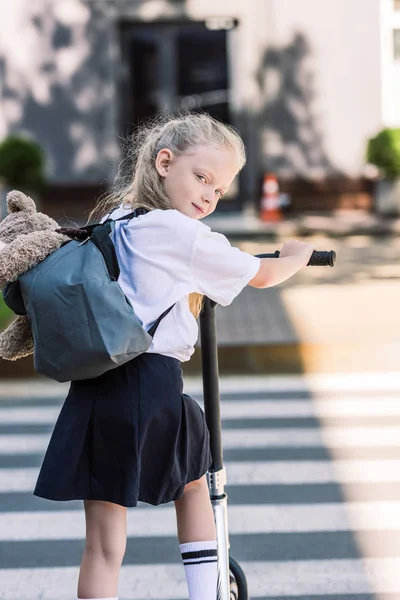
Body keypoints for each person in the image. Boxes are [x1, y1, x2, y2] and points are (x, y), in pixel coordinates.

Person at [33, 112, 314, 600]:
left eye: (219, 190)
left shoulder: (115, 220)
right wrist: (296, 254)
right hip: (150, 381)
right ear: (165, 162)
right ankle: (206, 594)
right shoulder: (179, 232)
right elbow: (260, 275)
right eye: (202, 178)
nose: (208, 195)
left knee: (102, 543)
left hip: (99, 383)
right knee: (192, 488)